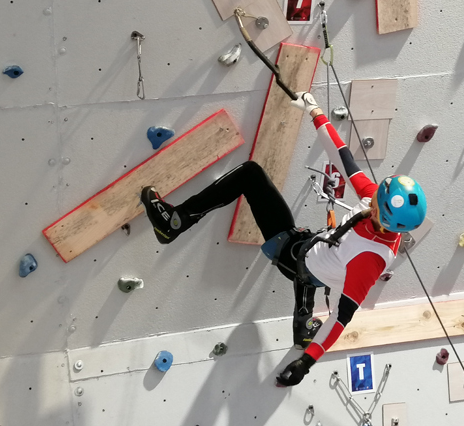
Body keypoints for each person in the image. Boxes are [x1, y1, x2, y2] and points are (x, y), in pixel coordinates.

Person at [140, 92, 427, 387]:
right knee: (313, 256)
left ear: (383, 219)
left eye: (376, 202)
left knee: (250, 175)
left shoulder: (370, 260)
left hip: (294, 255)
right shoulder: (377, 202)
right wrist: (315, 111)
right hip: (320, 252)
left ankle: (174, 223)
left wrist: (305, 363)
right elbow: (343, 158)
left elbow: (341, 317)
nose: (371, 196)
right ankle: (302, 327)